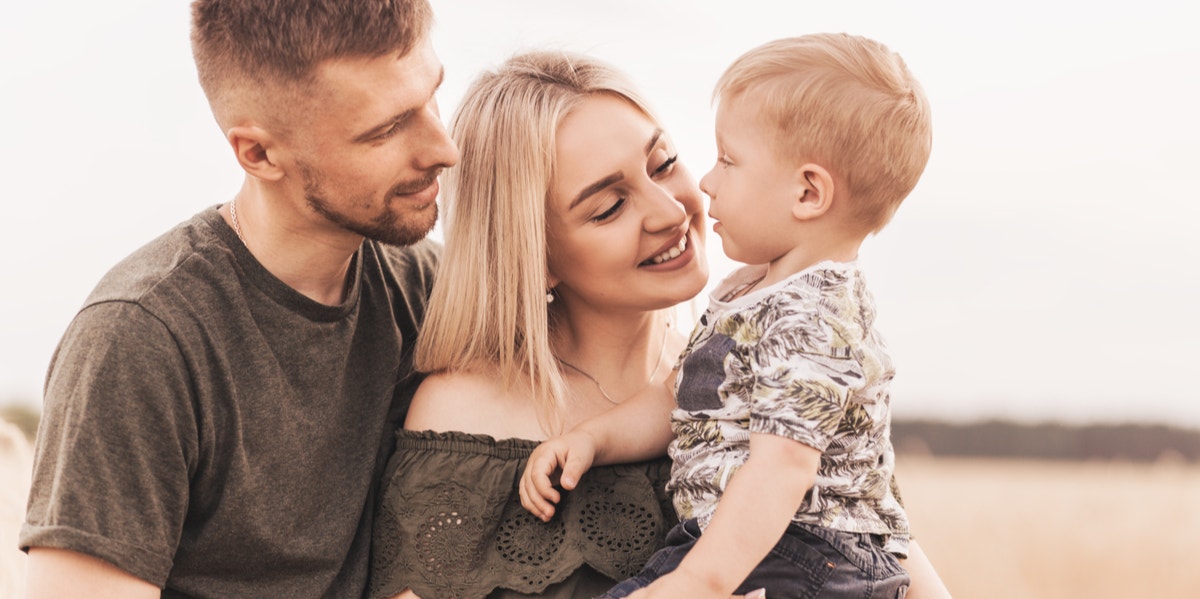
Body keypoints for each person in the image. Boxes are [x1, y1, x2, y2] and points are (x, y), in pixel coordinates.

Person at [20, 1, 457, 596]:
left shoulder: (430, 292)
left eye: (432, 96)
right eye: (385, 129)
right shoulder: (141, 340)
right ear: (259, 154)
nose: (443, 148)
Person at [522, 33, 951, 598]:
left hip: (798, 555)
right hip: (754, 547)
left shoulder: (812, 318)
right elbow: (688, 400)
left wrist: (701, 579)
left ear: (807, 192)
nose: (705, 181)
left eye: (729, 160)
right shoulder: (759, 292)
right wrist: (595, 439)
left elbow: (782, 469)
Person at [367, 50, 711, 599]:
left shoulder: (748, 379)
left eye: (663, 163)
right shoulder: (464, 415)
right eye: (608, 207)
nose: (670, 210)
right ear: (536, 257)